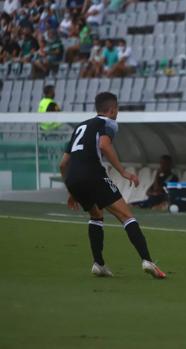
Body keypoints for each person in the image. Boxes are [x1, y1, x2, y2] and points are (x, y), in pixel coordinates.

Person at [59, 92, 166, 279]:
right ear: (112, 109)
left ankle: (98, 264)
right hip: (93, 175)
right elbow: (104, 145)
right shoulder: (108, 123)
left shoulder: (80, 126)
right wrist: (124, 172)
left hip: (73, 178)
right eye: (117, 109)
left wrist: (71, 190)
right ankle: (147, 261)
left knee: (96, 215)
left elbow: (63, 164)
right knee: (126, 216)